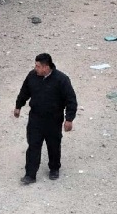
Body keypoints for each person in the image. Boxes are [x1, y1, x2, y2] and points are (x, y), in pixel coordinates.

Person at [14, 53, 77, 185]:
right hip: (35, 118)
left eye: (38, 66)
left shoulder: (61, 80)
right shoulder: (32, 76)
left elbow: (71, 100)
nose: (35, 68)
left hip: (53, 120)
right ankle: (30, 174)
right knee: (33, 145)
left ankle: (54, 168)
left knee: (53, 145)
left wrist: (69, 119)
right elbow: (24, 91)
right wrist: (18, 106)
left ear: (46, 67)